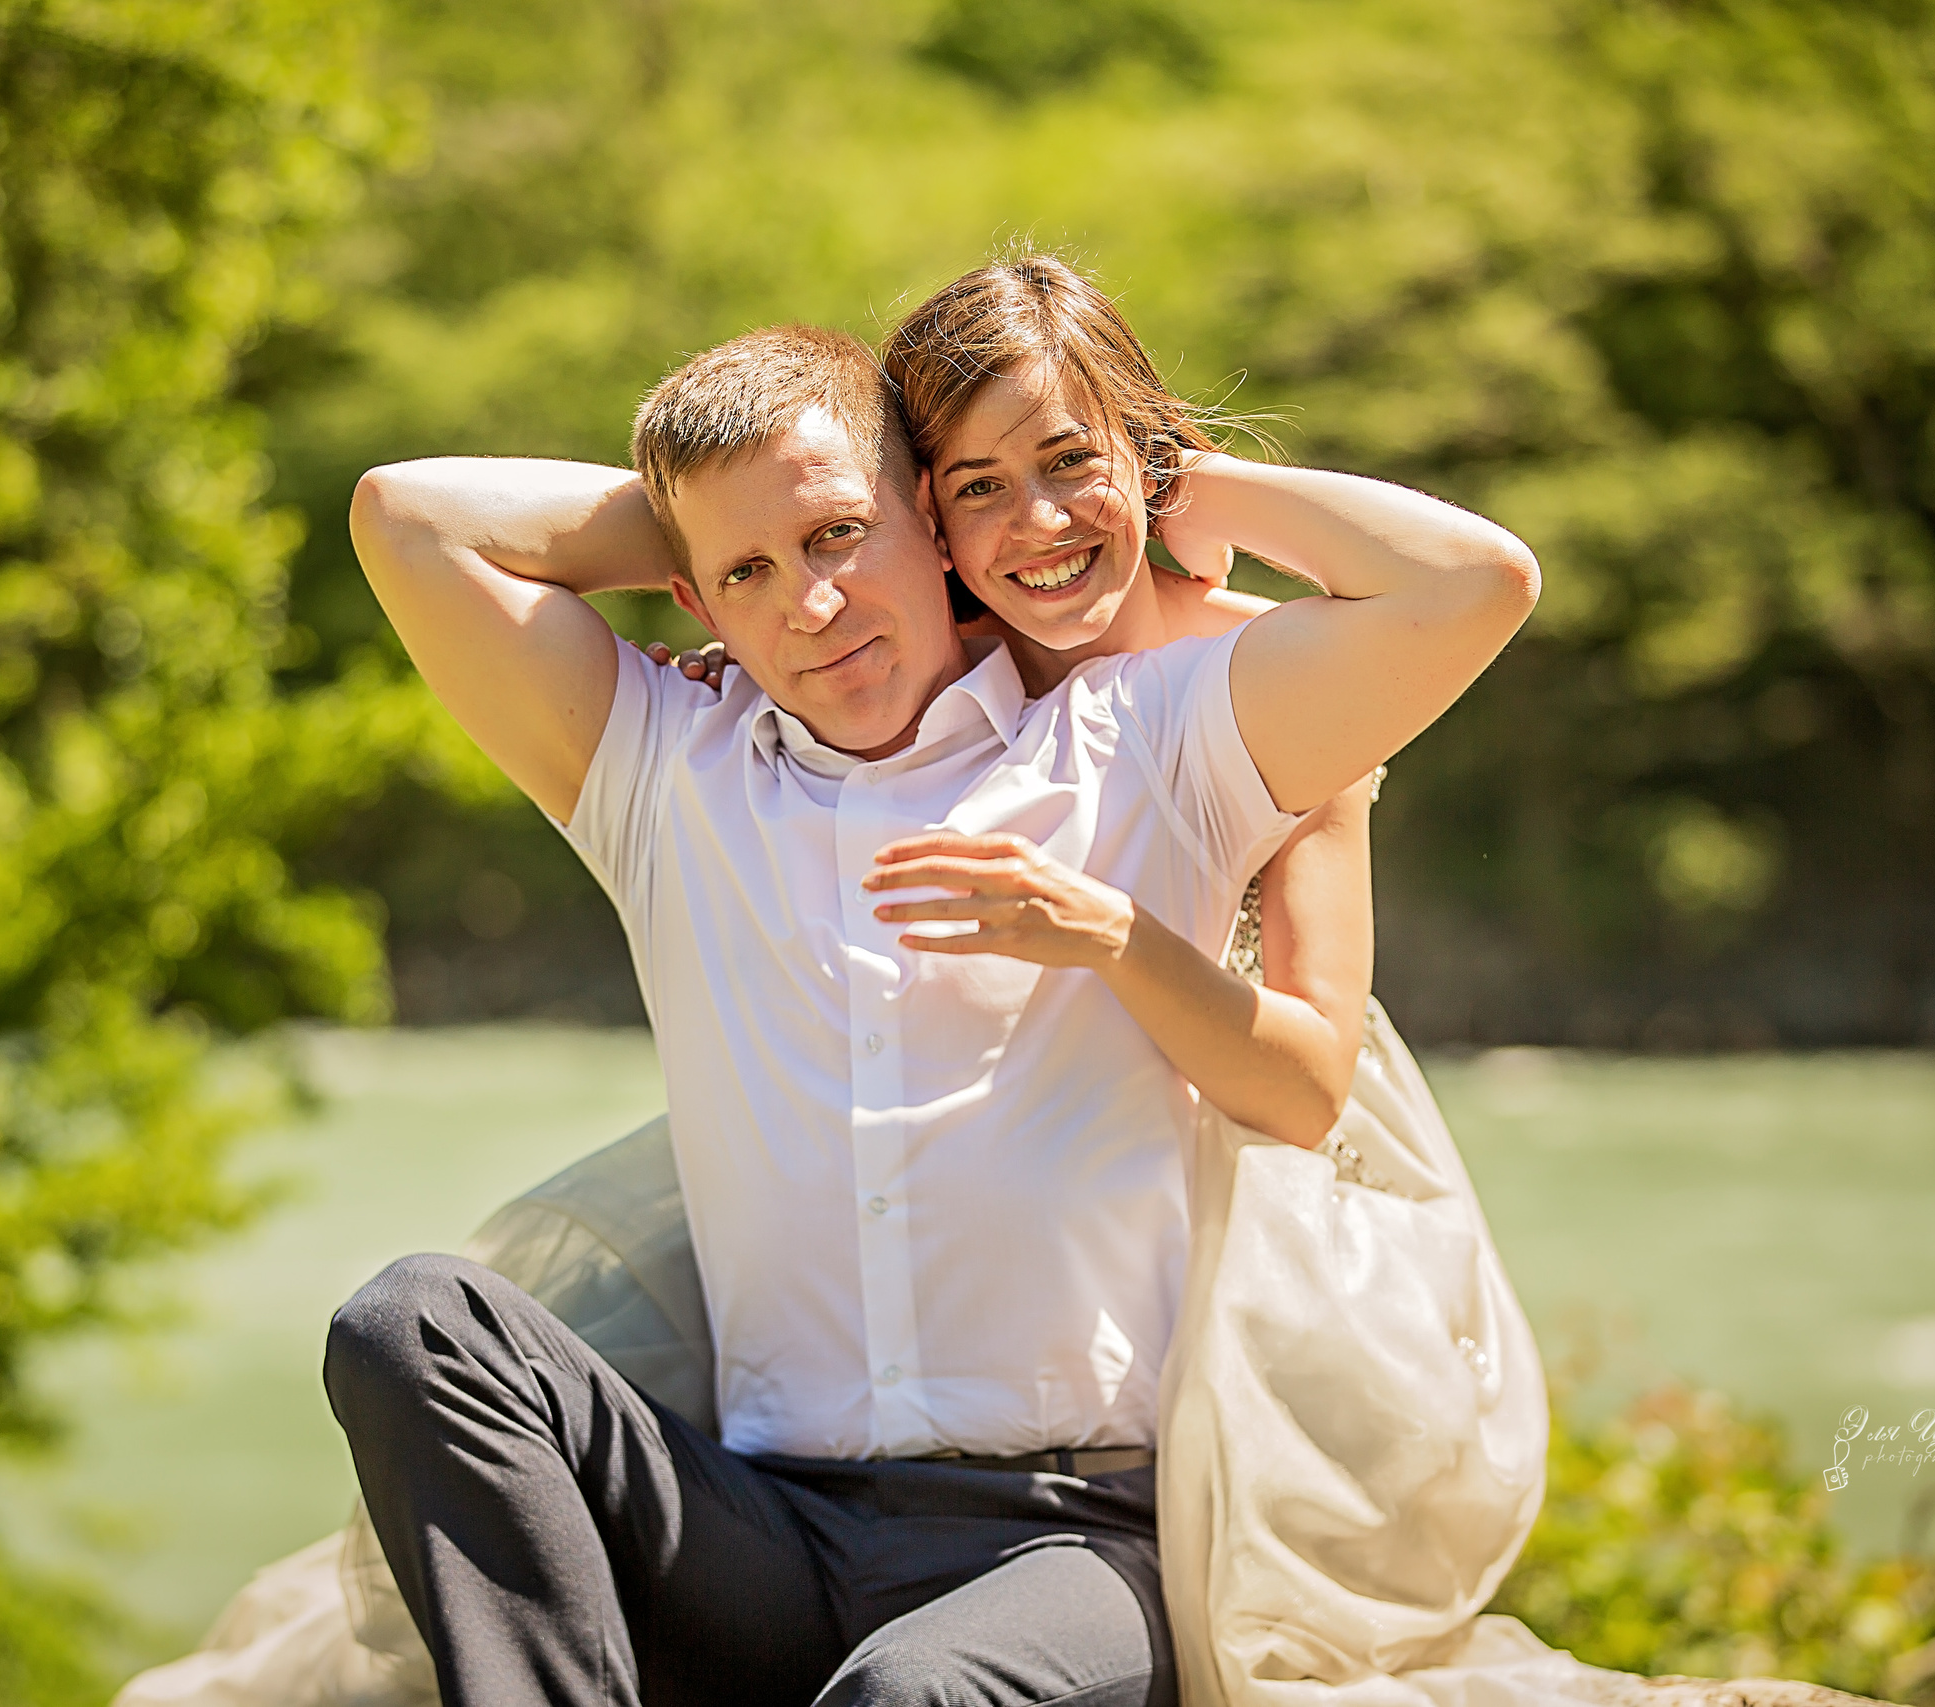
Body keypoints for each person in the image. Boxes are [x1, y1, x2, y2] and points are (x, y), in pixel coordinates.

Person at [328, 293, 1539, 1707]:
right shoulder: (665, 772)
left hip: (1073, 1541)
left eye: (841, 535)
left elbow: (1475, 583)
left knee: (911, 1698)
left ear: (930, 524)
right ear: (697, 598)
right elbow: (403, 517)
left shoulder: (1152, 740)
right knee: (413, 1322)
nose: (814, 606)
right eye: (754, 574)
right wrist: (711, 516)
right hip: (765, 1525)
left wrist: (1156, 477)